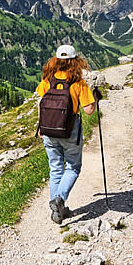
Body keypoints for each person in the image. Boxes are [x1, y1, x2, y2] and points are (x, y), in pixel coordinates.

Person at [36, 45, 97, 224]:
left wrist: (41, 127)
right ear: (74, 61)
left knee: (55, 169)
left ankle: (58, 212)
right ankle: (59, 200)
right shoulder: (78, 82)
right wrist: (95, 97)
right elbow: (88, 111)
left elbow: (41, 102)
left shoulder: (48, 79)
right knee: (72, 168)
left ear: (56, 60)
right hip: (70, 129)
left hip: (48, 129)